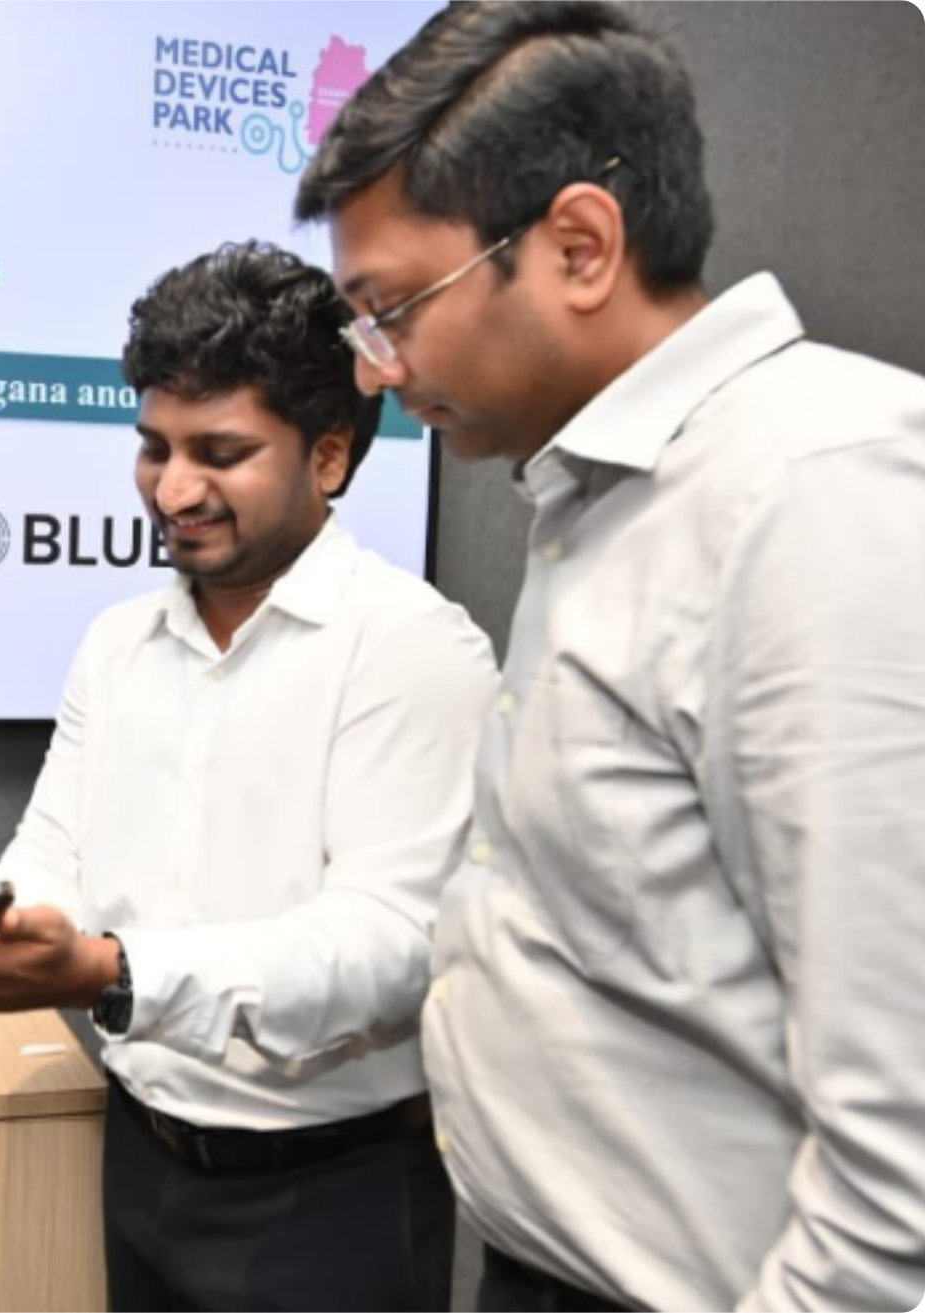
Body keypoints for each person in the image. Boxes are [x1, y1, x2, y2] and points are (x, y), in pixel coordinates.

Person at [296, 3, 925, 1310]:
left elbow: (901, 1164)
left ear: (579, 247)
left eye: (391, 310)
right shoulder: (604, 494)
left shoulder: (815, 493)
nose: (372, 372)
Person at [0, 240, 498, 1313]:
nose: (174, 488)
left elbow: (391, 946)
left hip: (328, 1192)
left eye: (221, 451)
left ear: (329, 456)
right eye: (154, 446)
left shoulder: (411, 647)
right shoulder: (117, 643)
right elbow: (51, 851)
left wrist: (113, 973)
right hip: (141, 1158)